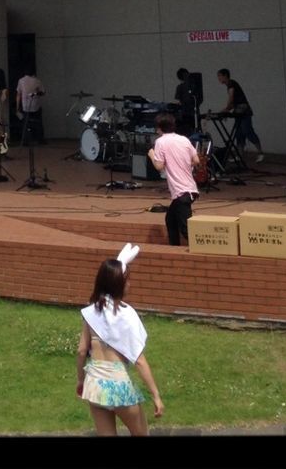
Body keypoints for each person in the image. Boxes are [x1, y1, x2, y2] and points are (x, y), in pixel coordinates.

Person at [76, 245, 163, 436]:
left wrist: (81, 381)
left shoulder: (91, 312)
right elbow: (139, 360)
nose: (129, 284)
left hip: (94, 385)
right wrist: (156, 395)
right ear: (118, 284)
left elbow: (82, 351)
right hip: (119, 386)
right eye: (127, 280)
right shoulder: (127, 316)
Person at [149, 112, 200, 246]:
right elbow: (196, 160)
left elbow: (159, 166)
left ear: (159, 128)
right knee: (170, 219)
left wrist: (152, 155)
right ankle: (174, 247)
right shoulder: (184, 139)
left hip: (181, 192)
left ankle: (200, 254)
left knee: (186, 230)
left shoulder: (160, 141)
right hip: (190, 189)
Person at [216, 67, 263, 162]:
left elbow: (231, 99)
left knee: (248, 131)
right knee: (239, 134)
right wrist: (226, 110)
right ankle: (239, 156)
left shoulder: (231, 84)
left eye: (220, 76)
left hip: (244, 112)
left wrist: (226, 110)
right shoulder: (229, 85)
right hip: (238, 112)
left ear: (225, 75)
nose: (219, 78)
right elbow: (232, 103)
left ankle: (260, 153)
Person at [16, 70, 45, 145]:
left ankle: (25, 141)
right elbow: (43, 92)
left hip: (25, 106)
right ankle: (40, 140)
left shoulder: (21, 81)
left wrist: (17, 107)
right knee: (38, 123)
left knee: (26, 124)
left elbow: (18, 94)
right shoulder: (37, 81)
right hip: (35, 105)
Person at [173, 68, 197, 136]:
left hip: (184, 114)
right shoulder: (195, 86)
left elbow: (179, 102)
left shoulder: (180, 87)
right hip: (193, 114)